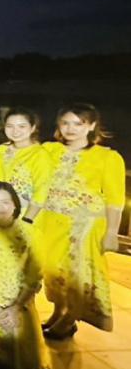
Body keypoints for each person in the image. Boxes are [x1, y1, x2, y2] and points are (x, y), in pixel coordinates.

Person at [38, 103, 125, 339]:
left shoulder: (107, 157)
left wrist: (112, 233)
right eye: (65, 123)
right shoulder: (49, 150)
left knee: (77, 274)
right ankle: (58, 311)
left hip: (83, 226)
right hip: (51, 220)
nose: (70, 129)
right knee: (52, 270)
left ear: (92, 125)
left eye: (78, 124)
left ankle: (70, 319)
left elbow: (115, 199)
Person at [0, 182, 51, 369]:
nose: (0, 207)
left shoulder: (31, 233)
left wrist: (15, 307)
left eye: (5, 202)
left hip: (17, 296)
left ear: (15, 205)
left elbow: (34, 274)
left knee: (28, 365)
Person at [0, 108, 53, 221]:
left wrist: (27, 220)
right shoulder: (1, 149)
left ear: (32, 128)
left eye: (21, 126)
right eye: (10, 126)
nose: (15, 131)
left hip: (25, 214)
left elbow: (42, 190)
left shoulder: (40, 155)